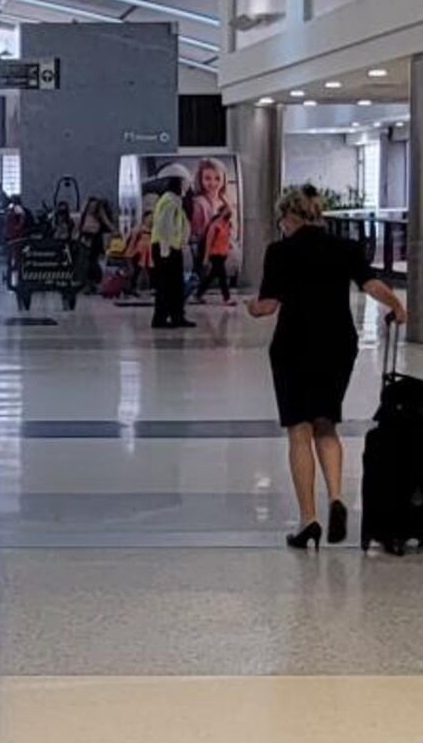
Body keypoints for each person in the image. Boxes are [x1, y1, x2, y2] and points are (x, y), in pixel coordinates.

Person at [246, 186, 405, 550]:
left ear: (288, 216)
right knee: (326, 423)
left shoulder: (280, 251)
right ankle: (335, 496)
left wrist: (249, 307)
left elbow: (268, 306)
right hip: (338, 344)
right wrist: (397, 305)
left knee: (298, 430)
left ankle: (308, 521)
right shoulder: (345, 248)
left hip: (293, 345)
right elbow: (372, 284)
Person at [144, 177, 193, 328]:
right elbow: (164, 226)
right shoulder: (169, 201)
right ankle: (161, 318)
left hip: (172, 248)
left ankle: (177, 316)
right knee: (166, 286)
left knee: (175, 286)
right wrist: (166, 250)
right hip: (165, 249)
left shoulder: (174, 201)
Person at [191, 157, 238, 301]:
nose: (213, 183)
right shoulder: (199, 203)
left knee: (216, 273)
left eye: (217, 178)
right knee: (216, 273)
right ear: (200, 179)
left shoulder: (226, 200)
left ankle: (199, 294)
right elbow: (197, 231)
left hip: (223, 247)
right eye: (207, 178)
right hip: (208, 247)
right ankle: (225, 297)